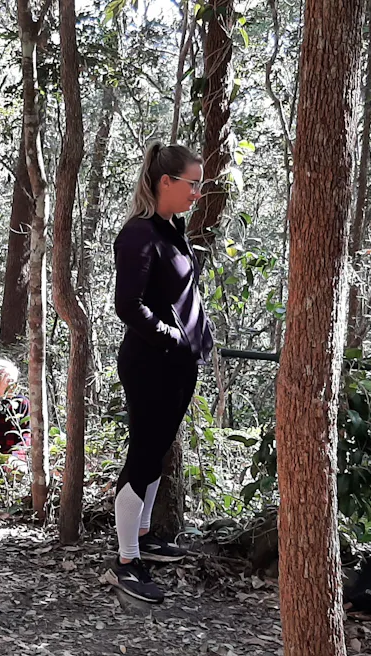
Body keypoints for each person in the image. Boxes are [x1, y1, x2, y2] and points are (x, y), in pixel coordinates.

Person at [104, 142, 215, 604]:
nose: (197, 192)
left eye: (200, 184)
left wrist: (194, 343)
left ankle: (144, 535)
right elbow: (126, 306)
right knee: (144, 457)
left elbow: (179, 294)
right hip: (151, 364)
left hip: (179, 364)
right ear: (165, 182)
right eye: (191, 184)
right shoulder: (138, 235)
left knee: (158, 452)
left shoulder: (173, 228)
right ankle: (126, 562)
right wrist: (172, 338)